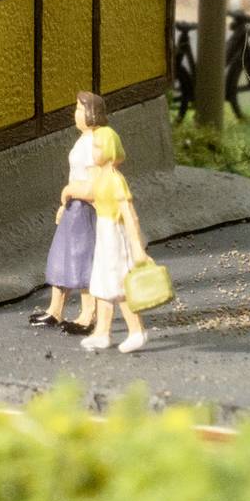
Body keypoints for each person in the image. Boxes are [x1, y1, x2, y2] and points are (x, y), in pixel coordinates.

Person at [32, 90, 106, 332]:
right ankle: (55, 309)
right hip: (74, 206)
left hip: (86, 208)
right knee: (61, 258)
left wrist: (70, 193)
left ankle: (88, 314)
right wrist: (65, 204)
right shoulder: (83, 140)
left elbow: (96, 183)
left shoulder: (97, 143)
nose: (75, 115)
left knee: (83, 261)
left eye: (79, 110)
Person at [79, 123, 151, 354]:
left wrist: (137, 247)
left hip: (115, 234)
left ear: (109, 148)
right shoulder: (101, 177)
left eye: (97, 146)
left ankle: (137, 331)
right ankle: (102, 332)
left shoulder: (115, 180)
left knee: (121, 284)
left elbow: (129, 215)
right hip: (103, 231)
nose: (93, 151)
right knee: (102, 283)